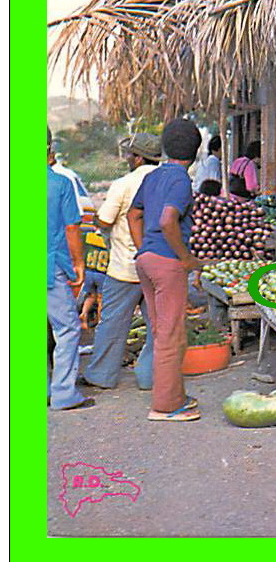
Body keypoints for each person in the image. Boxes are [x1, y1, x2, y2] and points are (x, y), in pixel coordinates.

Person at [128, 119, 203, 422]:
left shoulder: (152, 177)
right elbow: (168, 220)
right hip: (167, 264)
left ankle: (173, 395)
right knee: (172, 335)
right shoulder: (181, 181)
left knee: (161, 333)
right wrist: (185, 258)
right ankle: (167, 407)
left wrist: (144, 247)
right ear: (195, 152)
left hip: (146, 260)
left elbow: (134, 215)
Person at [80, 133, 161, 391]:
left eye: (129, 154)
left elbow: (104, 220)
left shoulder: (124, 183)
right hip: (157, 265)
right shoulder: (166, 182)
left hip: (125, 267)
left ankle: (101, 376)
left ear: (137, 157)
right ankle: (150, 378)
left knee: (113, 324)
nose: (127, 158)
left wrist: (96, 222)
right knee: (158, 327)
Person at [47, 127, 95, 411]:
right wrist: (79, 264)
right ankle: (64, 394)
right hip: (50, 266)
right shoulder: (60, 183)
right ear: (49, 149)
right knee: (66, 329)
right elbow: (71, 228)